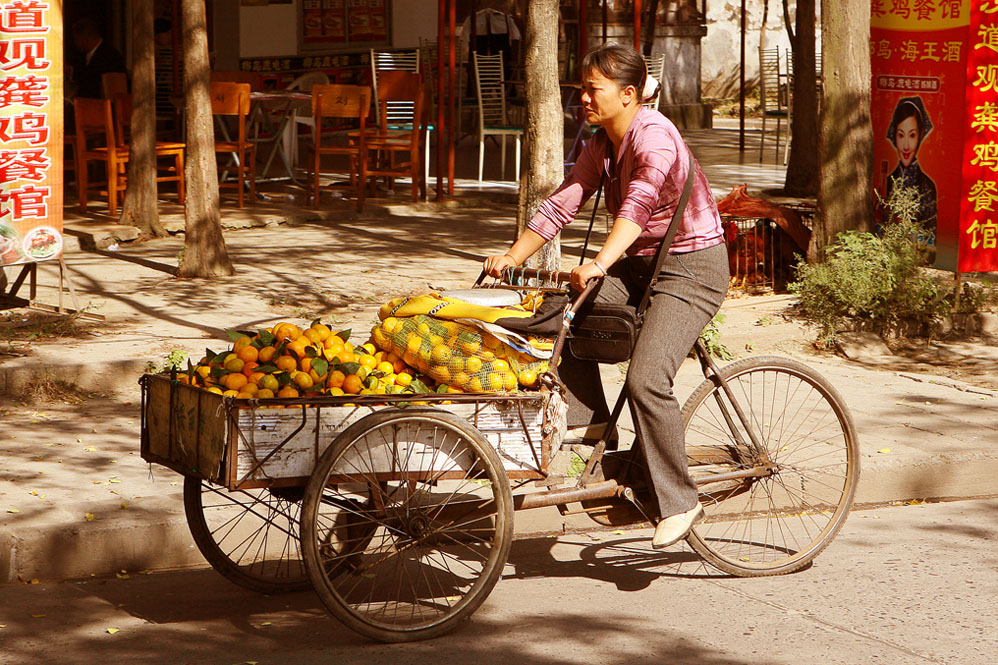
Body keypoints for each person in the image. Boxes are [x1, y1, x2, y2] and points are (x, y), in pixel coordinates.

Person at [483, 43, 729, 549]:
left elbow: (635, 211)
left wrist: (596, 264)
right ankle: (595, 427)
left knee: (646, 380)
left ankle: (680, 501)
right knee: (555, 315)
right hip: (639, 266)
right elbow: (563, 203)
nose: (584, 100)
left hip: (691, 269)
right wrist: (512, 256)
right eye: (582, 90)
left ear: (629, 94)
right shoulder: (602, 143)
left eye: (592, 90)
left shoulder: (654, 139)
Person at [884, 96, 937, 249]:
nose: (906, 146)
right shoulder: (887, 182)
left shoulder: (927, 186)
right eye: (901, 135)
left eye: (912, 135)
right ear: (894, 136)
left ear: (920, 135)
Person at [69, 18, 127, 100]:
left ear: (86, 38)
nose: (75, 44)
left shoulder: (109, 55)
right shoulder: (82, 55)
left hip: (102, 103)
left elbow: (93, 80)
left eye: (76, 39)